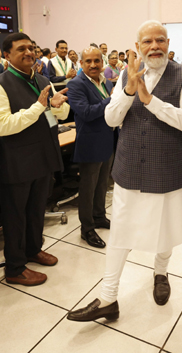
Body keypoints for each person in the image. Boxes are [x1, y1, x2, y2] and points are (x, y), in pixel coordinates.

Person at [68, 20, 182, 322]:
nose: (154, 46)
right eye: (147, 42)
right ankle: (108, 297)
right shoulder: (126, 76)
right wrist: (129, 90)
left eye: (160, 40)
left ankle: (160, 273)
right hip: (130, 167)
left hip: (169, 168)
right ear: (138, 46)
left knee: (166, 228)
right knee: (121, 232)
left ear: (168, 43)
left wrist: (150, 101)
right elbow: (112, 120)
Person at [0, 32, 70, 286]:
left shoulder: (42, 79)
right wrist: (39, 106)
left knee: (36, 210)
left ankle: (33, 249)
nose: (29, 53)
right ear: (7, 55)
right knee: (15, 216)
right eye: (21, 49)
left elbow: (62, 113)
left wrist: (55, 105)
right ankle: (14, 268)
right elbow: (2, 125)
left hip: (44, 155)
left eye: (31, 48)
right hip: (18, 160)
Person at [66, 47, 116, 249]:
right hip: (90, 142)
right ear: (81, 63)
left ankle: (99, 216)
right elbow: (86, 112)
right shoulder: (76, 84)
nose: (93, 65)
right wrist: (112, 99)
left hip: (108, 139)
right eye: (89, 61)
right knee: (88, 187)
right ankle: (86, 228)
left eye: (97, 60)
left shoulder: (106, 82)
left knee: (103, 183)